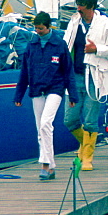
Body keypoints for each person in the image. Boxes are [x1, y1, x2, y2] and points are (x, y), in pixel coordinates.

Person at [63, 0, 108, 171]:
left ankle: (88, 157)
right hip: (74, 77)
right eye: (78, 4)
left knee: (90, 120)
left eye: (82, 5)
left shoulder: (106, 25)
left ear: (91, 7)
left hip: (95, 78)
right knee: (70, 119)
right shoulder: (73, 23)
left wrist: (96, 49)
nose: (78, 9)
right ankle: (85, 145)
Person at [14, 12, 78, 180]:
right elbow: (25, 71)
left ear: (49, 27)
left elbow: (68, 71)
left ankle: (45, 165)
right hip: (36, 89)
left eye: (41, 28)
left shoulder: (60, 44)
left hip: (55, 89)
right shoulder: (31, 45)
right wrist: (18, 95)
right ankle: (50, 167)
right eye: (36, 28)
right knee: (40, 129)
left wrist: (72, 95)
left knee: (45, 123)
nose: (38, 31)